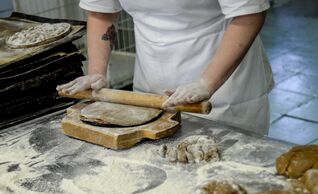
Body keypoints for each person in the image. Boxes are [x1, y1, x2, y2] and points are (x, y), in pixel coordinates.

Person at [57, 0, 274, 135]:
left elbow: (249, 14)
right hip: (152, 92)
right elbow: (101, 12)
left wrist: (206, 83)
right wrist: (96, 72)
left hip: (223, 92)